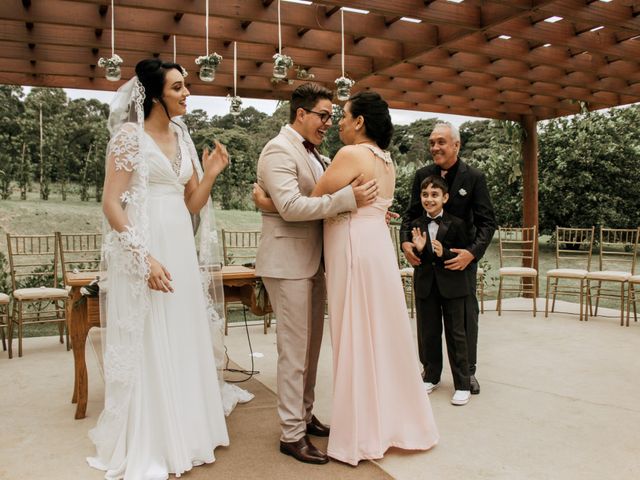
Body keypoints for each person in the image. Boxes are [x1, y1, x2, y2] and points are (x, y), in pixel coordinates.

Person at [88, 59, 250, 479]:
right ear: (155, 94)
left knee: (181, 330)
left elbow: (191, 203)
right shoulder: (128, 137)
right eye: (178, 87)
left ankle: (192, 425)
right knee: (152, 333)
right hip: (146, 246)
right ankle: (159, 435)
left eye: (186, 86)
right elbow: (110, 204)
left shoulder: (182, 136)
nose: (186, 93)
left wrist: (211, 173)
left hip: (179, 243)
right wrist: (143, 258)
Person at [254, 83, 378, 465]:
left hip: (315, 261)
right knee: (293, 351)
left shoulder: (317, 155)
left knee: (310, 348)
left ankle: (305, 416)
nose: (328, 123)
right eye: (324, 115)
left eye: (331, 116)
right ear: (301, 113)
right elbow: (292, 206)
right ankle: (291, 434)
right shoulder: (278, 149)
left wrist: (271, 203)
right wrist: (347, 199)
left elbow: (293, 202)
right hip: (288, 263)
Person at [401, 122, 496, 395]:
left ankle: (467, 373)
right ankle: (430, 372)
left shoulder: (474, 177)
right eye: (432, 142)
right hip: (427, 266)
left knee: (464, 324)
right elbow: (409, 215)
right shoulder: (421, 175)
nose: (435, 147)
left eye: (441, 142)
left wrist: (472, 253)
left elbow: (487, 222)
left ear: (456, 144)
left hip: (459, 264)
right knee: (427, 325)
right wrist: (406, 242)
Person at [410, 175, 472, 406]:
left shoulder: (457, 223)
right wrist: (420, 249)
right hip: (427, 286)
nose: (429, 199)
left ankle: (463, 384)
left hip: (453, 286)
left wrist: (442, 252)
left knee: (457, 335)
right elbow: (417, 259)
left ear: (445, 198)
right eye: (425, 195)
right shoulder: (416, 224)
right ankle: (431, 376)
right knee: (429, 333)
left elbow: (463, 253)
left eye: (434, 195)